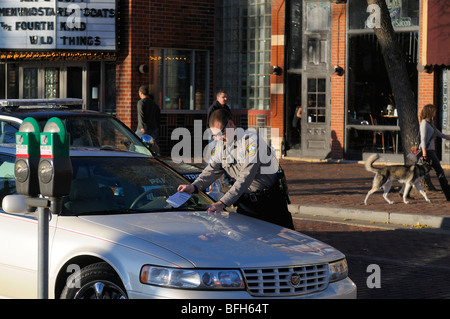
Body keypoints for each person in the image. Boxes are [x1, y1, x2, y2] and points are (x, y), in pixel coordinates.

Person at [177, 109, 295, 229]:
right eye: (214, 135)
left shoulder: (252, 141)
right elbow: (212, 170)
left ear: (230, 124)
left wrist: (222, 203)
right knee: (247, 243)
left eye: (220, 133)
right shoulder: (221, 145)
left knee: (286, 242)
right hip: (246, 203)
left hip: (269, 203)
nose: (217, 139)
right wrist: (194, 186)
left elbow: (246, 176)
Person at [420, 103, 450, 201]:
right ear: (429, 112)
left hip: (430, 151)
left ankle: (403, 192)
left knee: (417, 173)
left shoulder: (430, 123)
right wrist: (424, 154)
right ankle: (448, 195)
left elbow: (438, 133)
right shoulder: (424, 123)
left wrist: (447, 137)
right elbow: (423, 140)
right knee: (440, 172)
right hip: (427, 152)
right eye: (434, 111)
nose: (435, 113)